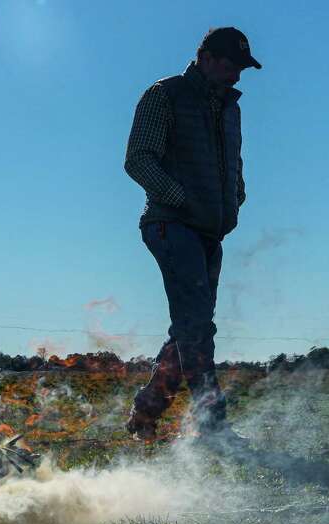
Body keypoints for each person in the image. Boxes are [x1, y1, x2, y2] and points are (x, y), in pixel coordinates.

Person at [123, 27, 261, 443]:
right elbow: (138, 160)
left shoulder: (231, 109)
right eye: (229, 64)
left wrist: (235, 197)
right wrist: (178, 198)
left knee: (190, 327)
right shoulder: (165, 95)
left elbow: (232, 163)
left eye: (241, 67)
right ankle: (212, 425)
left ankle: (145, 416)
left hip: (209, 229)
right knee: (196, 326)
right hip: (170, 224)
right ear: (204, 57)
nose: (236, 73)